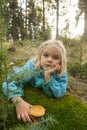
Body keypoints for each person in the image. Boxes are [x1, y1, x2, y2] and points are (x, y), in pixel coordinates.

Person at [2, 39, 68, 123]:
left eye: (55, 57)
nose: (50, 60)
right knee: (17, 72)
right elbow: (8, 82)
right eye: (46, 55)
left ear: (61, 61)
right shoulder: (32, 66)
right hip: (27, 71)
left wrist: (48, 76)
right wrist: (18, 101)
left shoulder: (61, 72)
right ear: (40, 56)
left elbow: (59, 93)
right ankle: (14, 67)